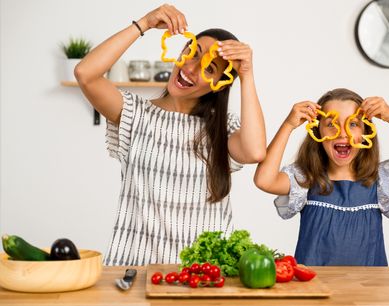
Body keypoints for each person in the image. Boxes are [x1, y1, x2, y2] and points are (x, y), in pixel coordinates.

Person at [74, 4, 266, 266]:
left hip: (203, 276)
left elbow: (255, 151)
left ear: (219, 85)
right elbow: (85, 73)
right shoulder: (135, 113)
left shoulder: (222, 130)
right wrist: (143, 23)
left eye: (209, 69)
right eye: (192, 53)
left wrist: (247, 74)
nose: (191, 68)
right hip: (135, 271)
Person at [254, 88, 389, 266]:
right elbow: (265, 180)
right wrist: (288, 125)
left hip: (368, 291)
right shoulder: (305, 179)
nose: (342, 133)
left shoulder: (382, 179)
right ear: (317, 131)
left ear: (365, 132)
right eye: (331, 124)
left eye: (353, 124)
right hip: (314, 289)